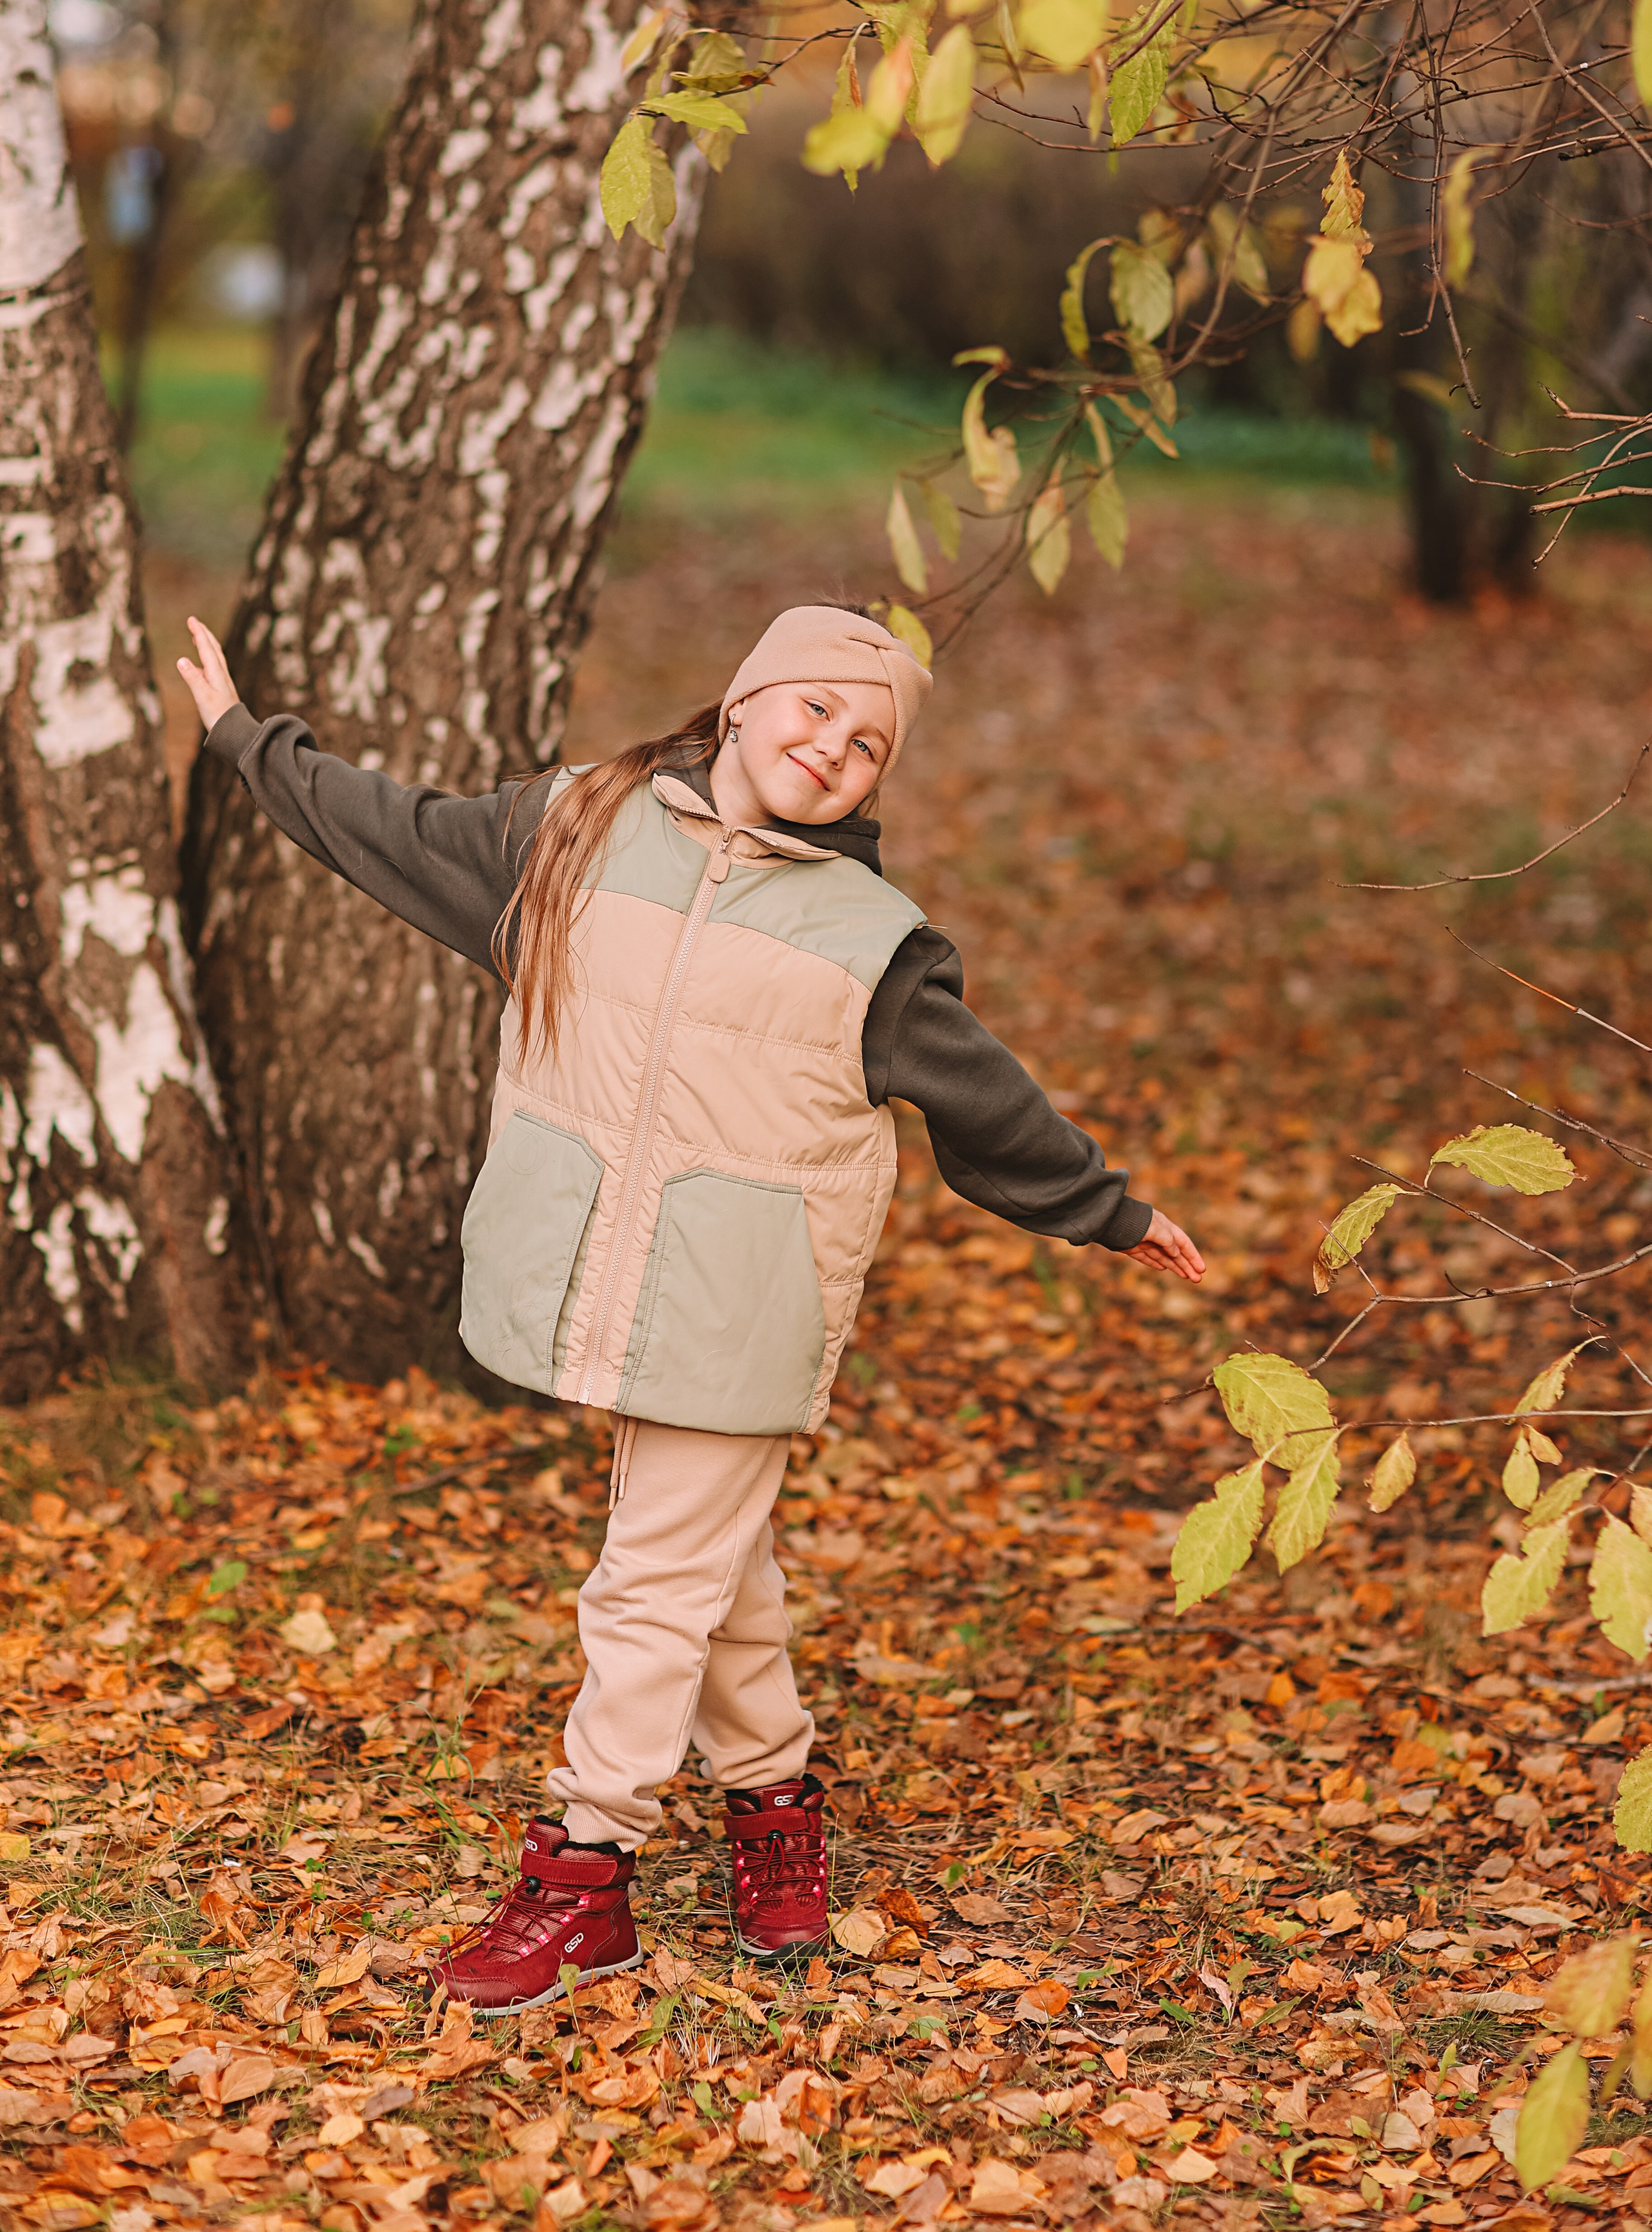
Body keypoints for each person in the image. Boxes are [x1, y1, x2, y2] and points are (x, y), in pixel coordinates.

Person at [179, 603, 1203, 2014]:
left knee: (650, 1582)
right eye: (811, 713)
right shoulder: (574, 832)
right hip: (615, 1266)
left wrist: (1107, 1208)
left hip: (746, 1297)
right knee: (718, 1575)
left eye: (864, 745)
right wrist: (249, 744)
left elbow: (986, 1102)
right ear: (740, 706)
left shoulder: (870, 941)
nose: (830, 749)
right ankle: (775, 1811)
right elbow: (393, 829)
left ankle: (582, 1875)